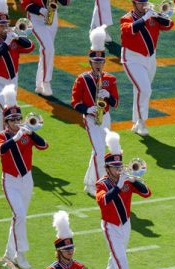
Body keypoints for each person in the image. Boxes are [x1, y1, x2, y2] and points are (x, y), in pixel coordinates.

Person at [96, 130, 152, 269]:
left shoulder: (126, 179)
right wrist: (119, 185)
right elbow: (103, 202)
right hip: (111, 228)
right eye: (115, 166)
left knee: (115, 261)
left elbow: (147, 193)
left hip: (125, 225)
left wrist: (135, 179)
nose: (119, 169)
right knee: (122, 263)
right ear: (107, 168)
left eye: (120, 165)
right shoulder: (102, 184)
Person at [0, 85, 48, 269]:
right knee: (20, 215)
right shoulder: (2, 136)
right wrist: (15, 138)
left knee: (19, 218)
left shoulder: (26, 133)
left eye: (19, 118)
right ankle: (21, 254)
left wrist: (31, 132)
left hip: (27, 180)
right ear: (6, 122)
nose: (17, 122)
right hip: (10, 181)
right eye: (13, 120)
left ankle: (10, 253)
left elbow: (44, 145)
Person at [71, 28, 120, 196]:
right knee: (99, 152)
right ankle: (100, 186)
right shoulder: (82, 79)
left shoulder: (110, 79)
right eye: (95, 61)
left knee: (97, 151)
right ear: (90, 62)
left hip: (105, 117)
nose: (98, 64)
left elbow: (116, 104)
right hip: (91, 118)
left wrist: (108, 96)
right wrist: (88, 109)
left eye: (101, 61)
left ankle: (89, 183)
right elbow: (75, 103)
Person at [0, 0, 35, 148]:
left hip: (13, 79)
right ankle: (1, 141)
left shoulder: (12, 37)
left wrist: (17, 37)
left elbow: (30, 46)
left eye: (6, 24)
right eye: (1, 25)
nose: (5, 27)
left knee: (3, 111)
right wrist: (7, 41)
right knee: (7, 110)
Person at [120, 0, 173, 135]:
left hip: (150, 58)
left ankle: (136, 121)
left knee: (140, 91)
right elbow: (130, 30)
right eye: (140, 3)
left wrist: (160, 15)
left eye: (145, 2)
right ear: (134, 4)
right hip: (132, 59)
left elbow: (169, 25)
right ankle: (142, 122)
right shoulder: (126, 18)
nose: (143, 5)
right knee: (145, 90)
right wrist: (145, 18)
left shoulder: (152, 16)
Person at [22, 0, 67, 95]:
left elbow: (65, 2)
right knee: (48, 48)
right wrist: (41, 10)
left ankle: (39, 84)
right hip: (36, 19)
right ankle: (46, 81)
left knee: (46, 51)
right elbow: (26, 4)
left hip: (52, 16)